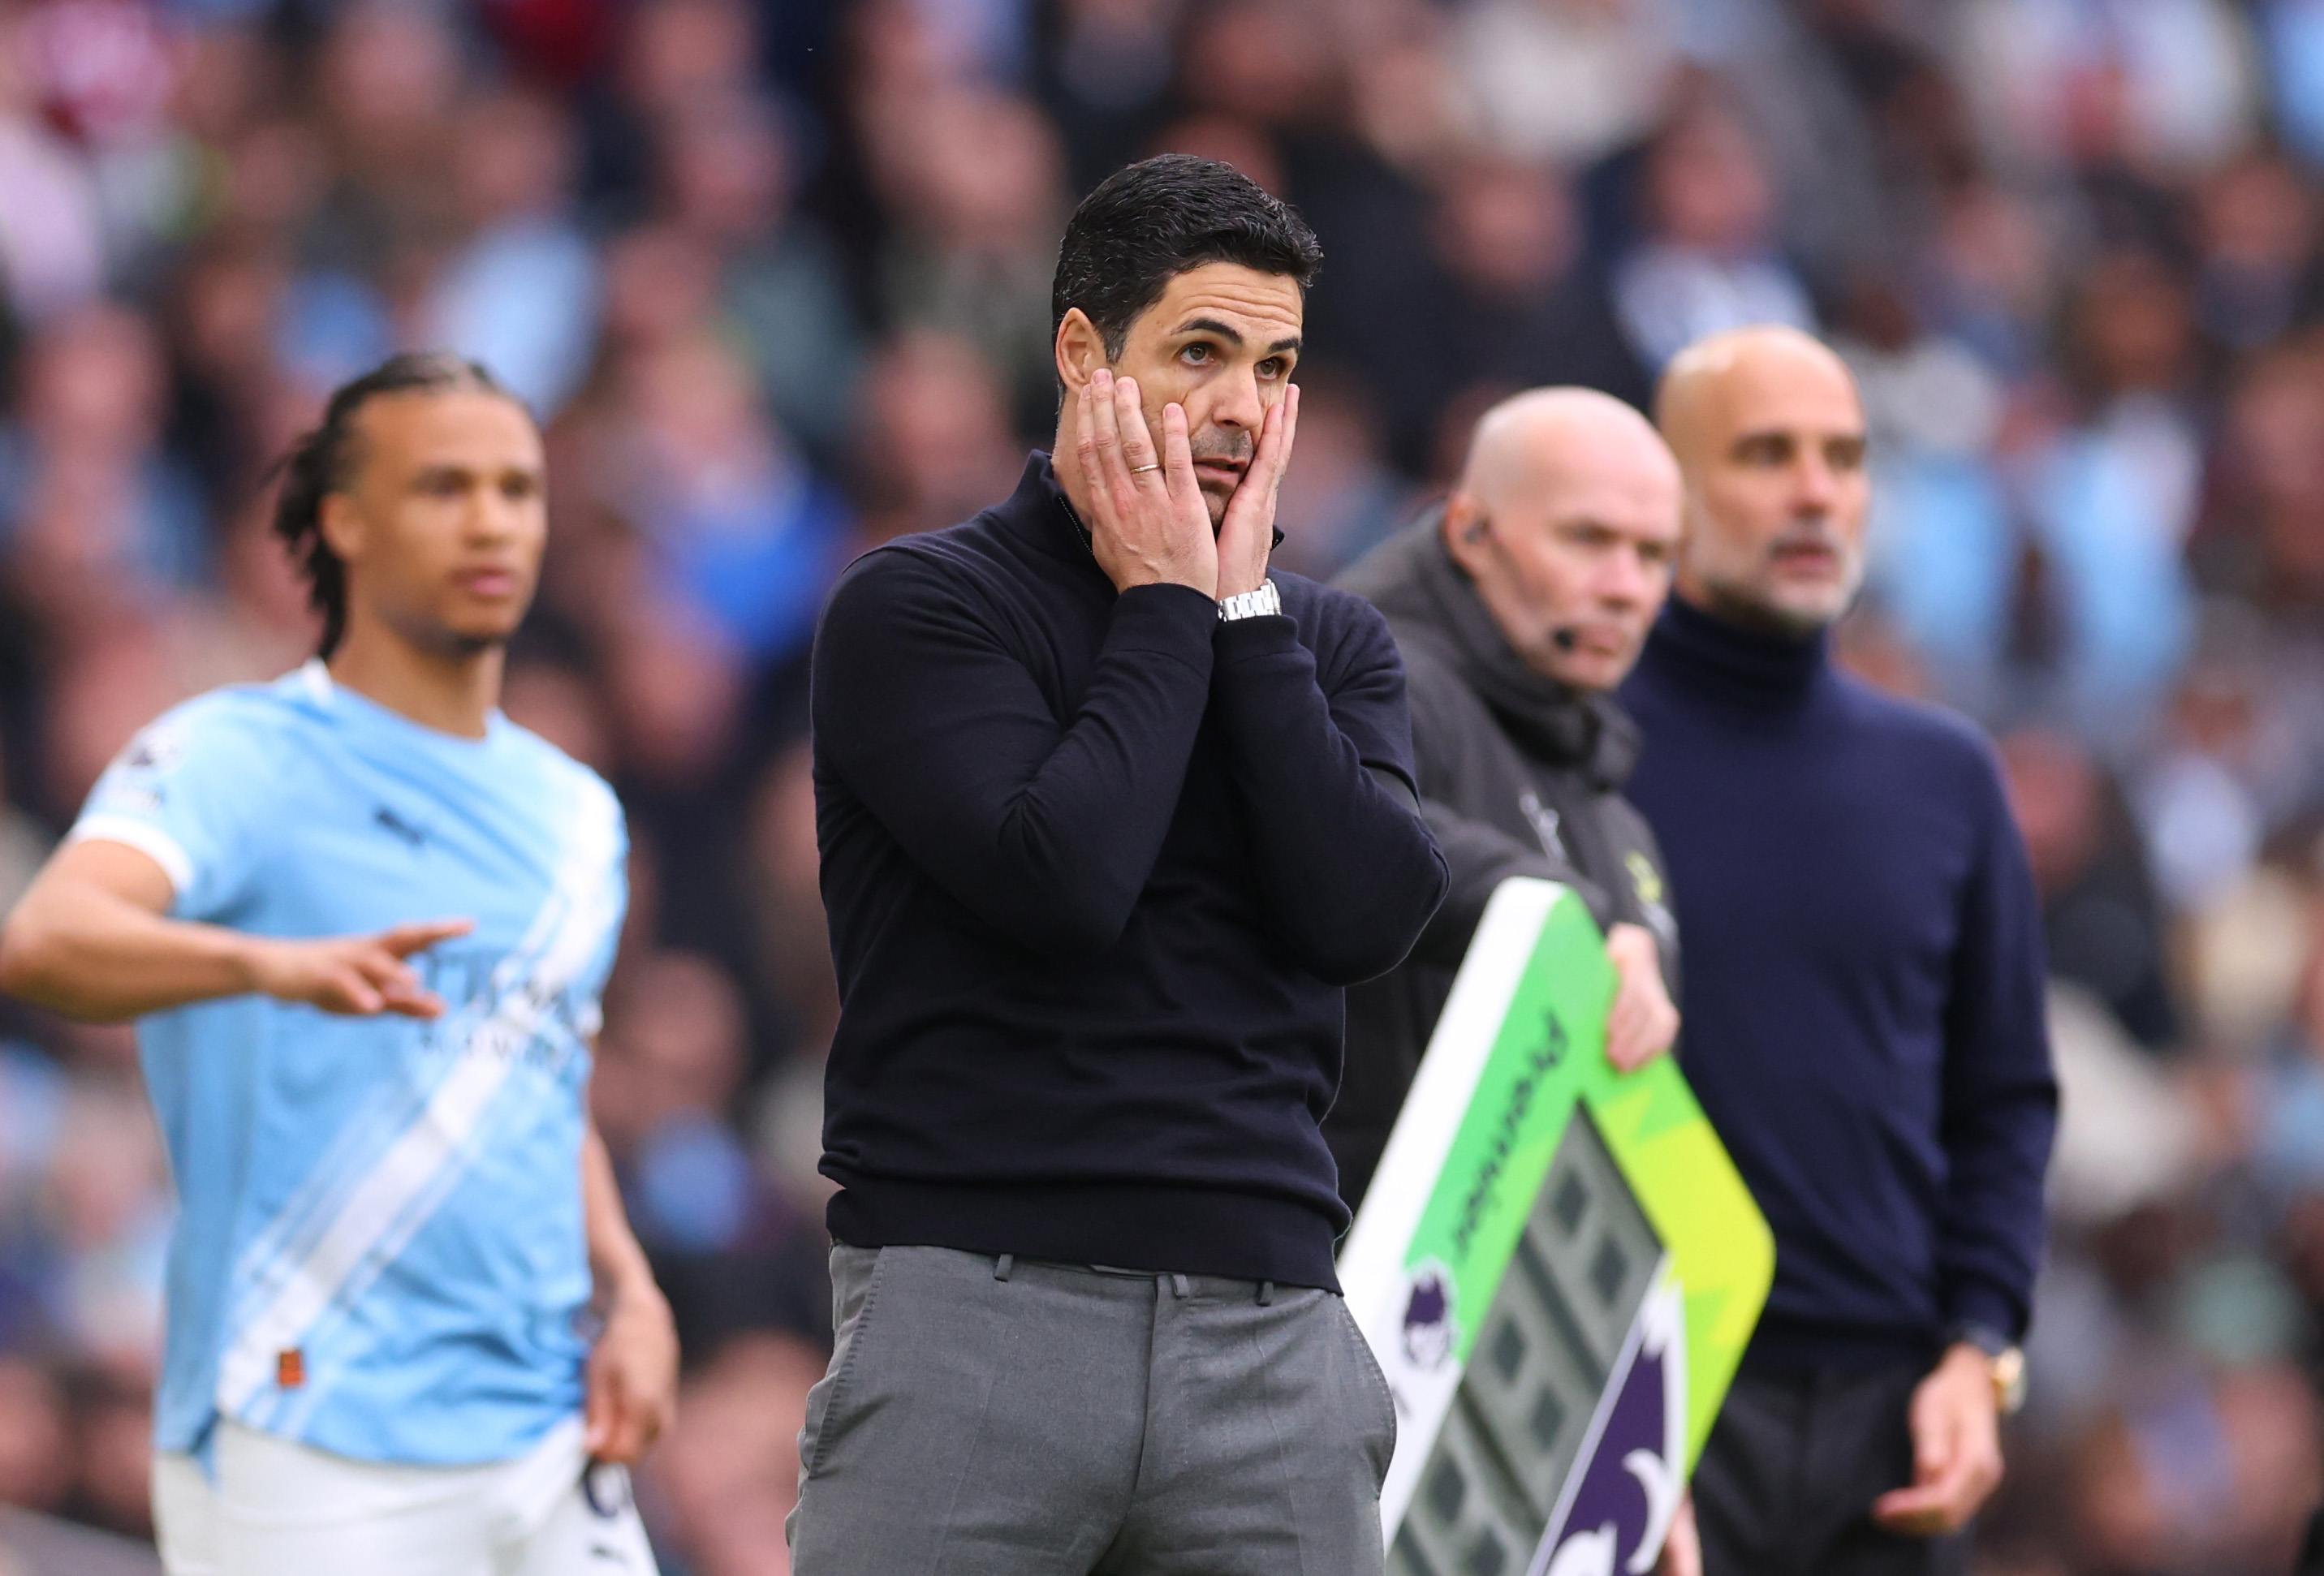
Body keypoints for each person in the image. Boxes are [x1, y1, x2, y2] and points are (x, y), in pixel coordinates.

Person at [794, 154, 1447, 1574]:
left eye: (1272, 367)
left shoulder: (1326, 645)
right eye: (1198, 351)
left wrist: (1240, 613)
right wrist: (1165, 601)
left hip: (1272, 1337)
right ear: (1079, 352)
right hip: (975, 1311)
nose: (1238, 407)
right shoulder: (920, 606)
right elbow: (1061, 879)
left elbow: (1367, 912)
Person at [0, 353, 675, 1576]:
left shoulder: (578, 814)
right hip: (304, 1422)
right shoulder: (231, 753)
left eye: (517, 489)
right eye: (443, 487)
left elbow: (538, 1075)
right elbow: (45, 939)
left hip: (540, 1423)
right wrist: (268, 965)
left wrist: (628, 1286)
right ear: (344, 523)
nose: (491, 521)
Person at [1620, 326, 2058, 1575]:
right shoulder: (1569, 753)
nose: (1814, 490)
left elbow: (2004, 1097)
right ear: (1670, 486)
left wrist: (1978, 1349)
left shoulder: (1946, 775)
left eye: (1842, 456)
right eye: (1765, 453)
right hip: (1649, 1397)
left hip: (1891, 1425)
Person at [1329, 386, 1684, 1211]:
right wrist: (1571, 916)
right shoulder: (1359, 682)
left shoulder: (1605, 789)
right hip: (1338, 1281)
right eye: (1587, 538)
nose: (1626, 587)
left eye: (1655, 554)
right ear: (1469, 532)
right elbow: (1360, 827)